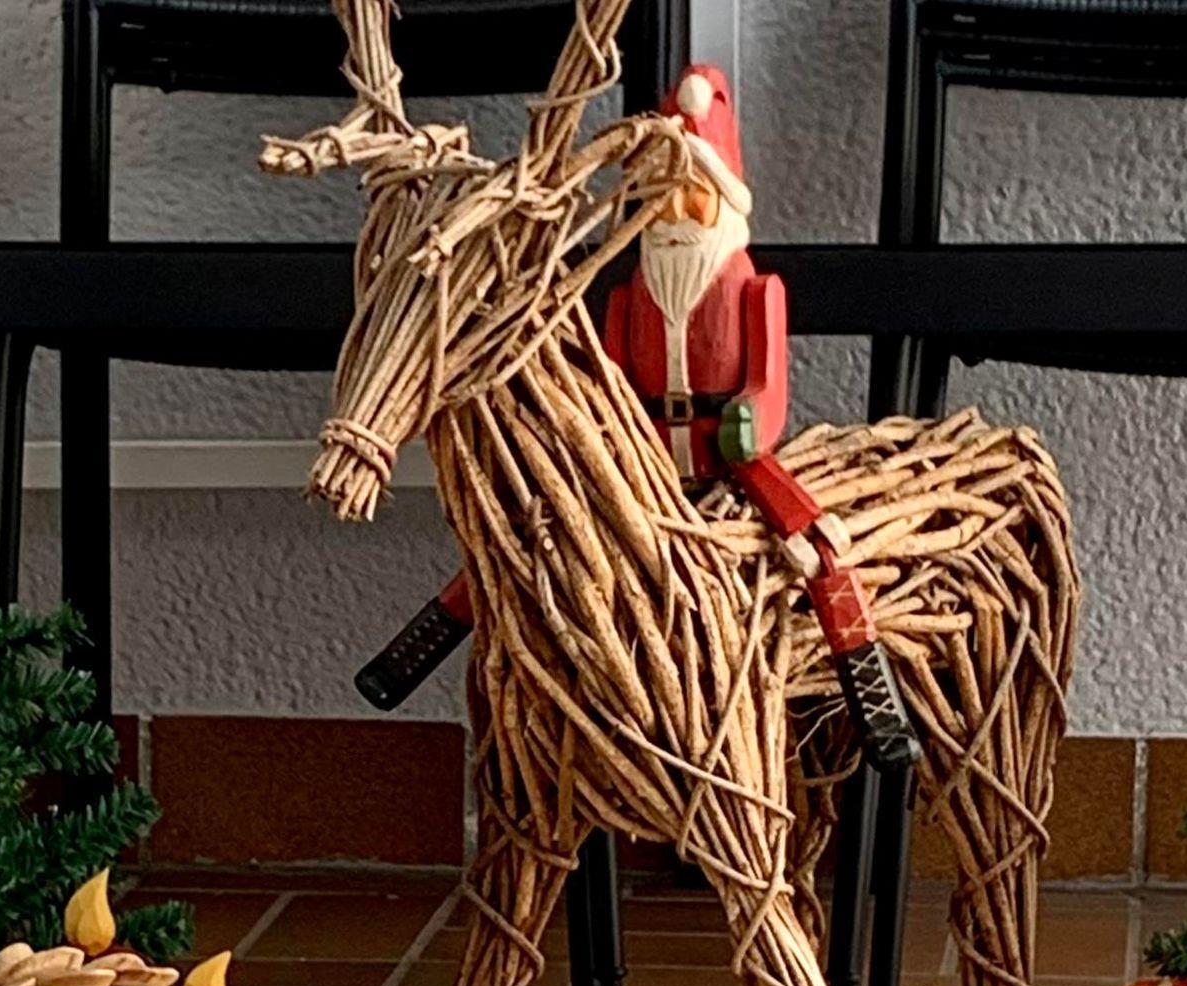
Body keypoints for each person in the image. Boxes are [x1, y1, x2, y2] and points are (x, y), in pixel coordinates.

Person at [357, 65, 921, 773]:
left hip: (733, 457)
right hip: (643, 456)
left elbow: (765, 382)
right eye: (662, 200)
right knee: (522, 538)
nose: (676, 214)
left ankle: (870, 692)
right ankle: (419, 647)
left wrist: (747, 418)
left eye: (693, 197)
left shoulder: (754, 290)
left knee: (817, 544)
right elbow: (612, 381)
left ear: (725, 199)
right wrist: (601, 436)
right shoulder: (631, 297)